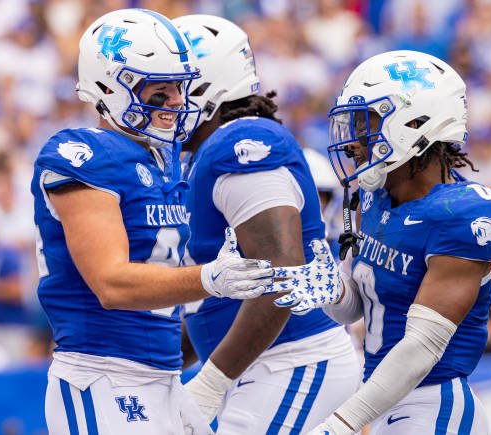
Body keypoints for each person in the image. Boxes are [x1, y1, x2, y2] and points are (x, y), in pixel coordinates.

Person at [31, 9, 280, 435]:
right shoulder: (82, 153)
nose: (177, 104)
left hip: (162, 375)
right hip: (103, 376)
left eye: (180, 90)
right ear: (110, 85)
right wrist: (208, 279)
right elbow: (111, 284)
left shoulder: (162, 161)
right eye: (160, 92)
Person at [277, 50, 491, 434]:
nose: (353, 141)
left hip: (432, 403)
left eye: (366, 123)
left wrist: (341, 423)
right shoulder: (370, 197)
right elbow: (354, 309)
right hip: (382, 400)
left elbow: (422, 348)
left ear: (415, 123)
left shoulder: (465, 213)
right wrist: (327, 287)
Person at [171, 15, 360, 434]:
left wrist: (213, 379)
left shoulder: (241, 146)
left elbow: (282, 275)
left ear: (203, 87)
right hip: (267, 368)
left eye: (168, 88)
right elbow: (211, 302)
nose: (162, 102)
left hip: (292, 363)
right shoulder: (206, 153)